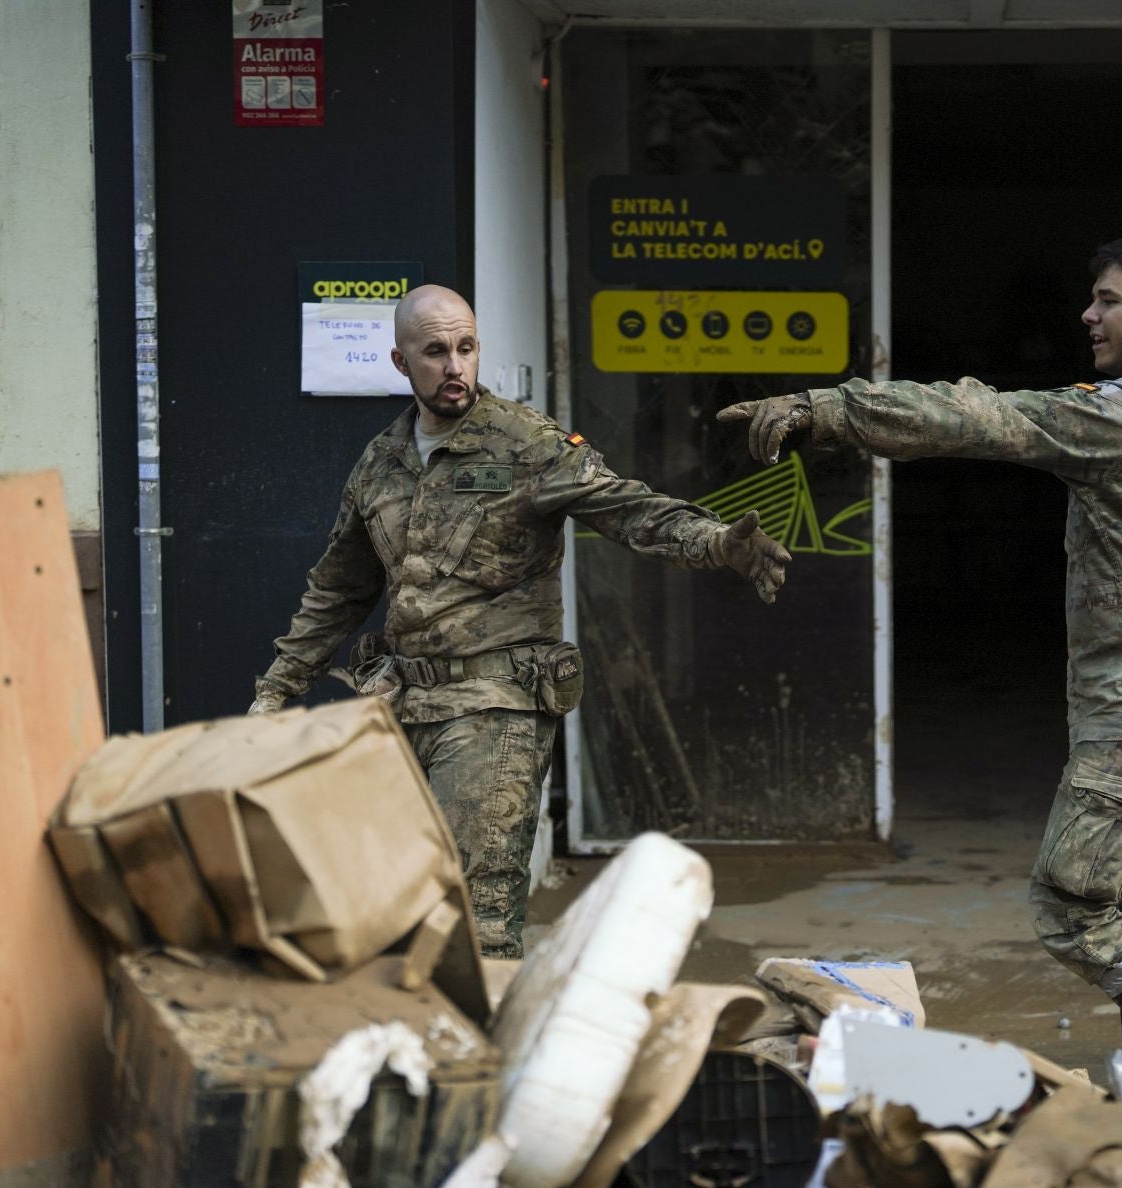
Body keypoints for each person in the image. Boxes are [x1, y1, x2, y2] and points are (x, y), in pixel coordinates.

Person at [719, 234, 1122, 1095]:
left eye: (1108, 298)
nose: (1088, 312)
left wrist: (831, 410)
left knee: (1071, 905)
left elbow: (982, 418)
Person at [250, 285, 790, 957]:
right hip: (399, 708)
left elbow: (627, 508)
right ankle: (421, 1053)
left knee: (477, 924)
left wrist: (715, 543)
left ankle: (486, 1056)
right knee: (395, 910)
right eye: (436, 351)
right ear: (400, 362)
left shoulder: (526, 444)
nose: (454, 366)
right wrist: (279, 686)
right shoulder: (380, 462)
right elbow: (339, 588)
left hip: (496, 705)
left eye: (466, 348)